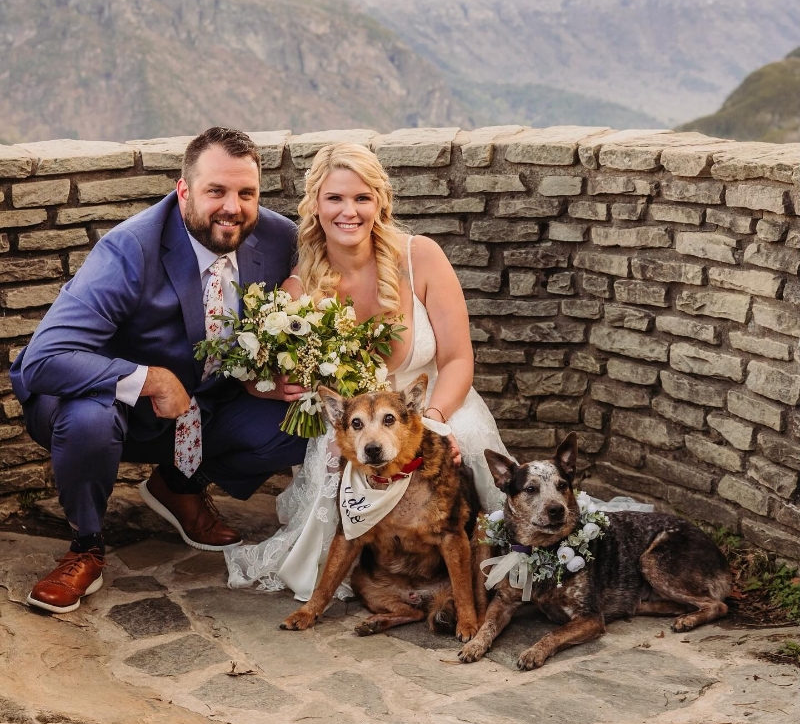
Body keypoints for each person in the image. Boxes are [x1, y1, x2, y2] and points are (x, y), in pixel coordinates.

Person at [11, 127, 308, 613]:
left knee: (300, 423)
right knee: (88, 419)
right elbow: (47, 356)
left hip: (205, 406)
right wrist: (150, 379)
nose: (232, 206)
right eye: (216, 191)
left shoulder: (279, 240)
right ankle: (85, 546)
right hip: (108, 406)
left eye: (246, 193)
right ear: (184, 190)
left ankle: (178, 483)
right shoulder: (131, 248)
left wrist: (277, 375)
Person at [225, 142, 512, 600]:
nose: (349, 212)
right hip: (360, 422)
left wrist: (433, 421)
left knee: (469, 444)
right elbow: (259, 375)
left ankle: (491, 566)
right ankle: (376, 568)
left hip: (436, 400)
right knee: (339, 459)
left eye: (362, 198)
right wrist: (279, 386)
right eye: (335, 198)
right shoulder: (299, 289)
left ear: (380, 202)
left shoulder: (422, 257)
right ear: (315, 204)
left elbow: (458, 358)